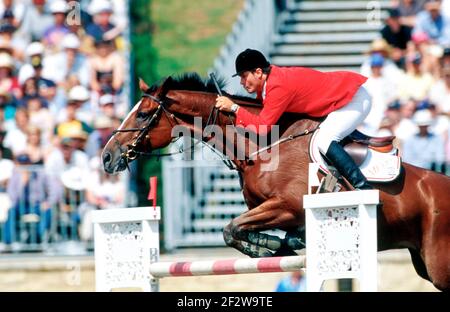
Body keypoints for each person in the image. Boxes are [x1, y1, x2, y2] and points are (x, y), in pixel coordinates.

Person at [215, 49, 373, 190]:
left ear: (258, 72)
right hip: (341, 99)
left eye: (243, 76)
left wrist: (234, 108)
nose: (242, 82)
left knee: (324, 140)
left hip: (353, 99)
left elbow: (262, 127)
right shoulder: (270, 82)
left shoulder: (278, 86)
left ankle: (363, 187)